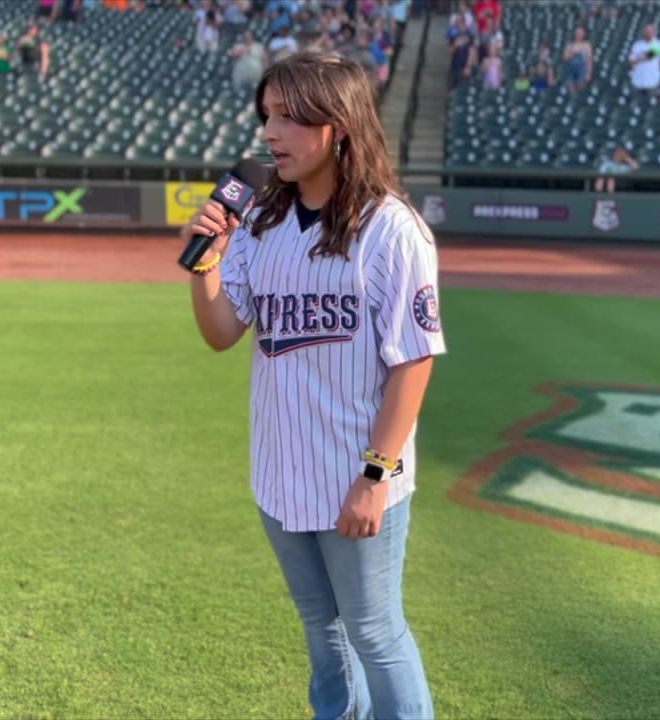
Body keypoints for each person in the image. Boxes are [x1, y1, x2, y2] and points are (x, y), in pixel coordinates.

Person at [180, 52, 441, 720]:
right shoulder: (261, 223)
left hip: (358, 476)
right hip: (281, 474)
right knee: (323, 639)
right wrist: (204, 265)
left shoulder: (392, 228)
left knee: (377, 636)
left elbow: (414, 361)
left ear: (340, 125)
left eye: (290, 116)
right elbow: (221, 331)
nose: (271, 132)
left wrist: (375, 476)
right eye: (266, 114)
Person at [628, 23, 660, 99]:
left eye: (650, 31)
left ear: (654, 32)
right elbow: (631, 61)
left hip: (653, 82)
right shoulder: (637, 45)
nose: (648, 33)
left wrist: (645, 56)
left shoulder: (659, 45)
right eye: (646, 31)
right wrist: (641, 58)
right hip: (638, 82)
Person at [562, 25, 593, 93]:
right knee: (571, 88)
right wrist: (572, 53)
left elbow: (589, 60)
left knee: (581, 88)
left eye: (580, 33)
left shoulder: (587, 45)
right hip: (571, 69)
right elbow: (565, 58)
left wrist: (588, 73)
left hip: (582, 70)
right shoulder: (570, 45)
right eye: (577, 33)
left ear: (584, 34)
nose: (579, 34)